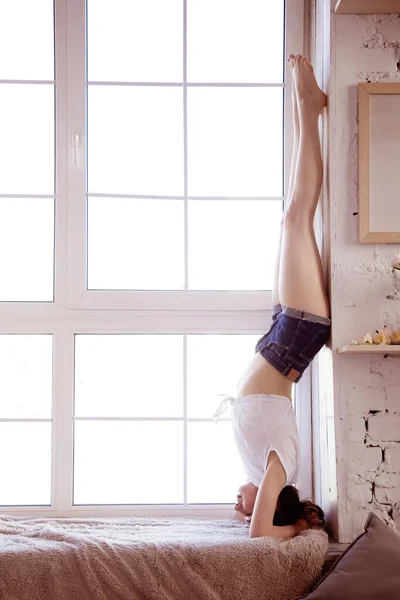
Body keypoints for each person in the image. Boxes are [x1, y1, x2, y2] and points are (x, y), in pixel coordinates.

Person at [214, 55, 330, 539]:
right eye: (244, 507)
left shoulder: (270, 472)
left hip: (281, 341)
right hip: (297, 335)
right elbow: (261, 537)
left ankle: (303, 109)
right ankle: (309, 107)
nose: (234, 505)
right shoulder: (278, 474)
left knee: (290, 215)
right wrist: (292, 527)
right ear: (268, 504)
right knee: (296, 217)